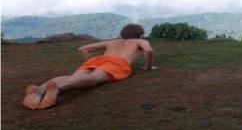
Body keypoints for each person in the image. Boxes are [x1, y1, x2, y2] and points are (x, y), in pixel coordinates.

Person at [22, 24, 156, 110]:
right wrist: (148, 67)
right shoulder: (140, 41)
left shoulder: (113, 42)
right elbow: (148, 51)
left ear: (123, 34)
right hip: (117, 63)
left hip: (98, 60)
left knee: (74, 77)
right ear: (140, 34)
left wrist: (93, 61)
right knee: (94, 78)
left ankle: (39, 89)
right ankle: (59, 87)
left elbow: (82, 48)